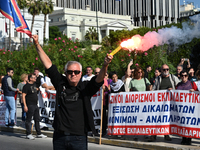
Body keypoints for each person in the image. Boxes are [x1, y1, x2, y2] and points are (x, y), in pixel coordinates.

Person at [32, 34, 113, 149]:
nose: (73, 74)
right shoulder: (61, 83)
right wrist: (37, 44)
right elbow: (48, 64)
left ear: (81, 73)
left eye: (76, 72)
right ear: (66, 73)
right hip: (59, 136)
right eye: (70, 72)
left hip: (79, 138)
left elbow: (99, 80)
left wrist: (105, 65)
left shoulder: (85, 87)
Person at [148, 64, 180, 142]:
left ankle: (166, 135)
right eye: (164, 69)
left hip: (169, 103)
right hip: (159, 102)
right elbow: (155, 89)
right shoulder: (158, 78)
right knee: (156, 119)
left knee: (167, 119)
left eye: (167, 69)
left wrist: (173, 90)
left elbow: (179, 87)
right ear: (161, 71)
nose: (166, 71)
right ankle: (153, 135)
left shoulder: (173, 78)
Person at [22, 73, 47, 140]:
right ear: (30, 78)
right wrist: (25, 106)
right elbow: (23, 96)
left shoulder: (34, 85)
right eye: (34, 77)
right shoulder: (26, 86)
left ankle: (38, 133)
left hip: (35, 105)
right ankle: (28, 134)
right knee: (29, 119)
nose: (35, 79)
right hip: (29, 105)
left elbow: (39, 86)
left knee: (37, 119)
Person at [176, 70, 197, 145]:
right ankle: (183, 138)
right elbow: (175, 94)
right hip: (181, 108)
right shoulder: (178, 85)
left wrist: (194, 91)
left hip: (190, 108)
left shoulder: (192, 83)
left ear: (187, 76)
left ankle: (189, 139)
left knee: (189, 123)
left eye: (185, 75)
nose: (183, 77)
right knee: (182, 123)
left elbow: (198, 92)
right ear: (180, 76)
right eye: (182, 76)